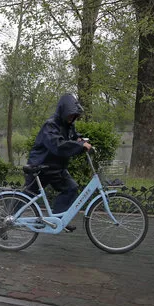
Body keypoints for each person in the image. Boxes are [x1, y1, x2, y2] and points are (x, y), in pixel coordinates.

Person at [23, 93, 92, 232]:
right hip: (40, 168)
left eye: (74, 116)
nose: (72, 118)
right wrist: (79, 146)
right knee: (27, 196)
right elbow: (58, 145)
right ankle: (4, 221)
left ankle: (59, 220)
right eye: (70, 115)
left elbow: (73, 137)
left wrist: (80, 141)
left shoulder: (68, 125)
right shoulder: (50, 125)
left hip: (56, 169)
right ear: (63, 111)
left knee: (71, 189)